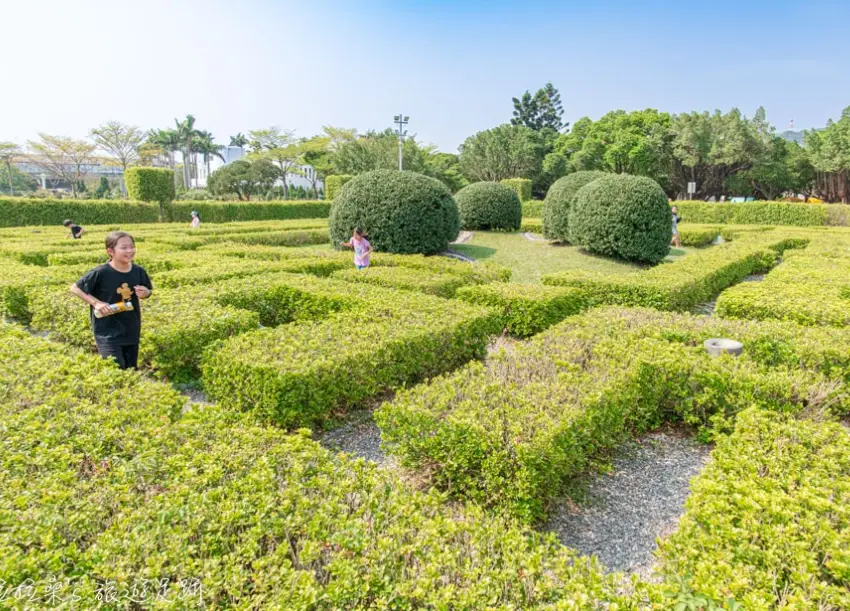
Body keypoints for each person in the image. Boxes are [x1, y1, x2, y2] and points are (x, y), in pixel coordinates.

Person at [69, 231, 153, 370]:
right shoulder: (101, 272)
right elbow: (75, 288)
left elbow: (148, 291)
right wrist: (96, 303)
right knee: (115, 368)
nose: (129, 251)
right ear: (110, 251)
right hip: (107, 331)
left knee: (130, 369)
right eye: (124, 247)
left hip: (131, 328)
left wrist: (145, 293)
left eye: (132, 246)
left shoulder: (138, 271)